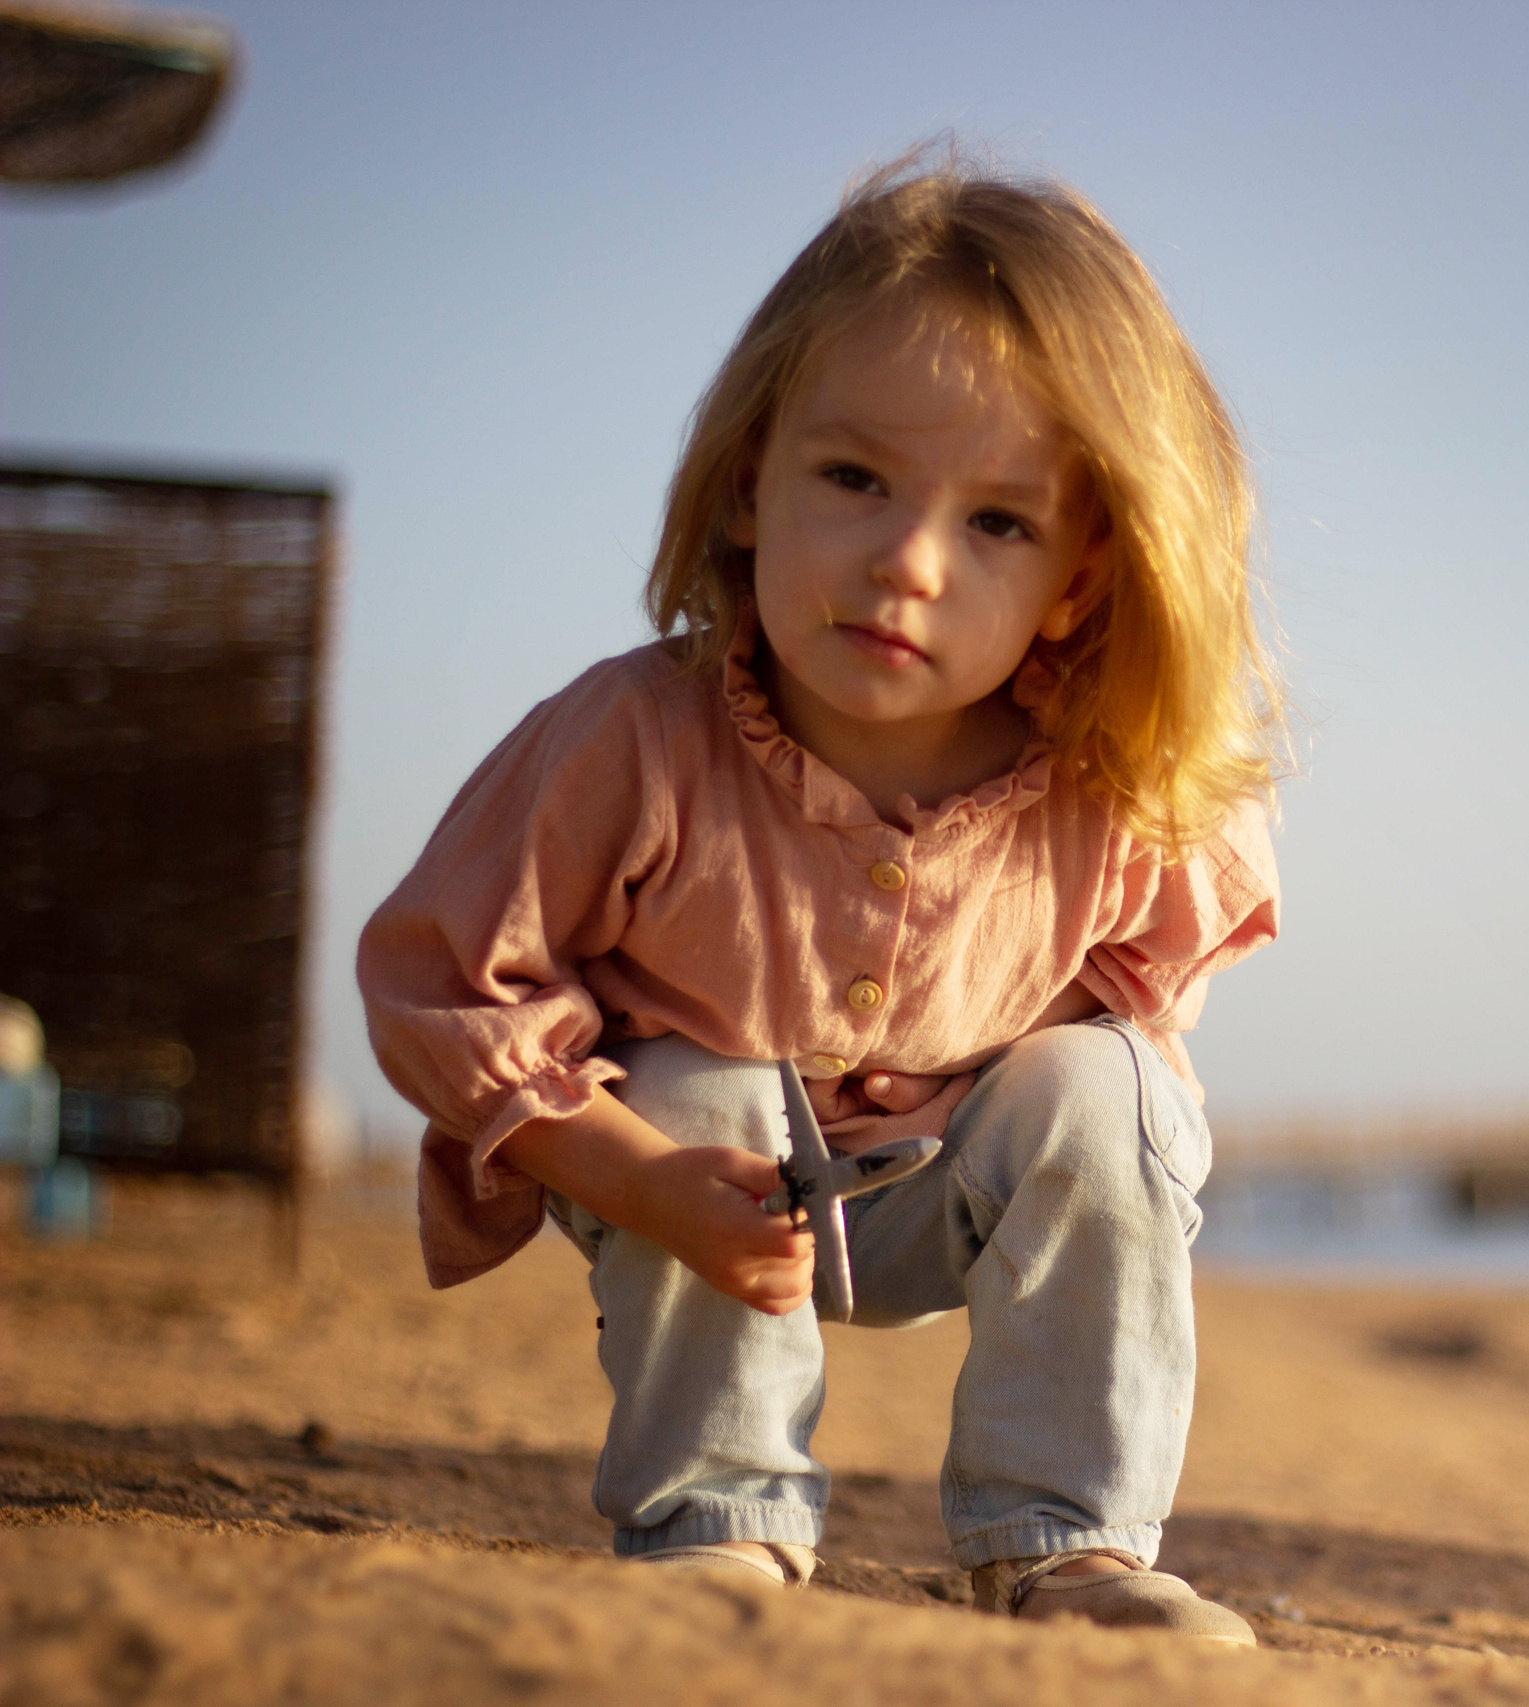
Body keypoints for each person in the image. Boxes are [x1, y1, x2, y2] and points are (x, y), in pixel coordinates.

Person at [357, 147, 1281, 1645]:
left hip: (954, 1194)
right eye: (854, 479)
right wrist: (634, 1173)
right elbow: (441, 982)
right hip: (689, 1192)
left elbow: (1150, 1016)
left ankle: (1072, 1545)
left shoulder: (1105, 793)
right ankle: (718, 1520)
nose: (906, 562)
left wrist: (1040, 1100)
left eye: (996, 521)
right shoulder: (630, 742)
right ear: (746, 485)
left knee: (1106, 1083)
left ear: (1078, 581)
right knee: (700, 1075)